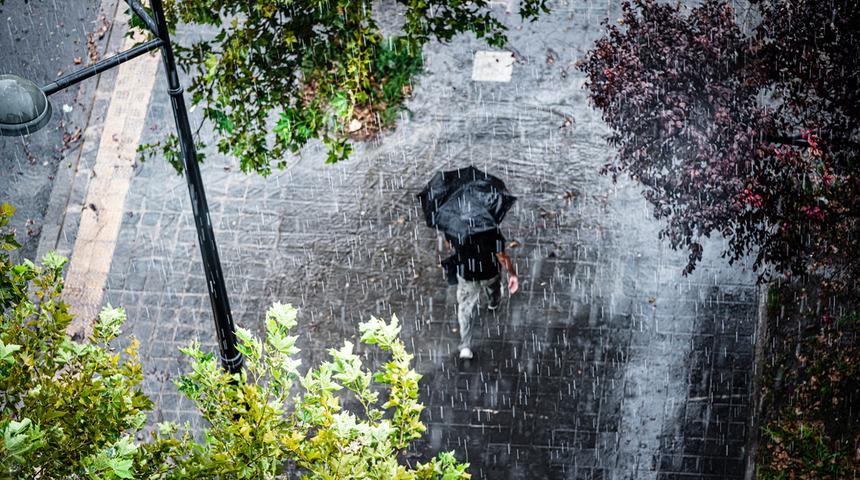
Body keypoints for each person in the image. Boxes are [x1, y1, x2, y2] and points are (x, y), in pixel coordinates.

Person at [445, 227, 518, 359]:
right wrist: (512, 274)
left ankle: (465, 346)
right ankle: (493, 303)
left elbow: (449, 245)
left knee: (465, 309)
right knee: (493, 288)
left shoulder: (454, 227)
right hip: (490, 272)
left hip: (467, 276)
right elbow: (502, 257)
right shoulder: (490, 229)